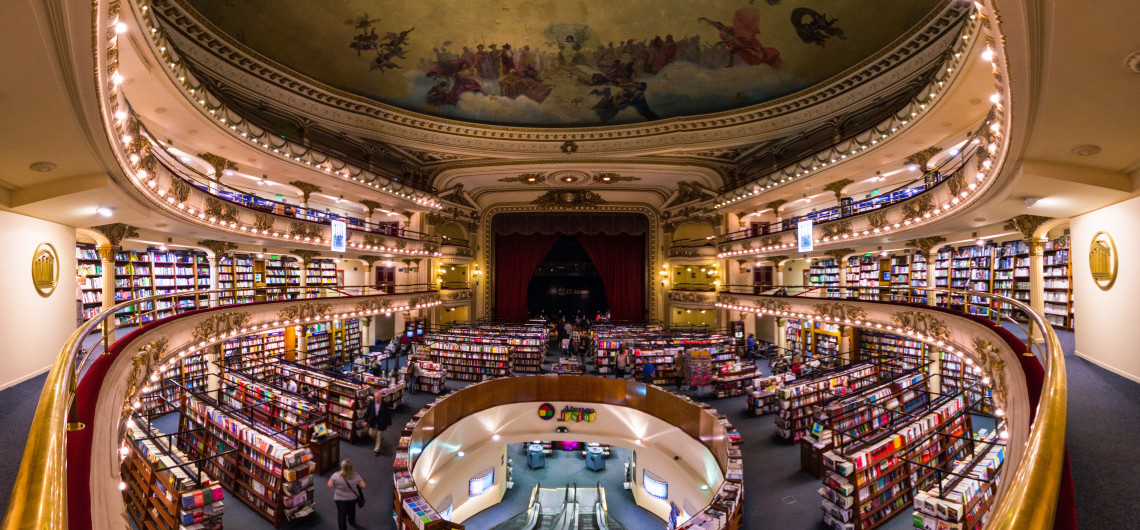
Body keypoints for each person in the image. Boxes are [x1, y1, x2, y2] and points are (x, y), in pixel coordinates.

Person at [328, 459, 366, 530]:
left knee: (341, 514)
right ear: (351, 467)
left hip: (339, 499)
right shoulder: (356, 475)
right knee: (352, 510)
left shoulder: (335, 475)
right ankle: (351, 521)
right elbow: (363, 485)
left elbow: (329, 484)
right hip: (352, 498)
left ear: (342, 467)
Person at [364, 390, 391, 455]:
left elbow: (388, 414)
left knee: (378, 435)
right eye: (376, 398)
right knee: (371, 433)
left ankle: (377, 450)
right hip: (373, 421)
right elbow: (368, 412)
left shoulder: (385, 404)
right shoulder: (371, 402)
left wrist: (389, 423)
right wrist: (366, 420)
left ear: (381, 398)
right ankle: (379, 439)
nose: (377, 399)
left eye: (378, 398)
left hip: (381, 423)